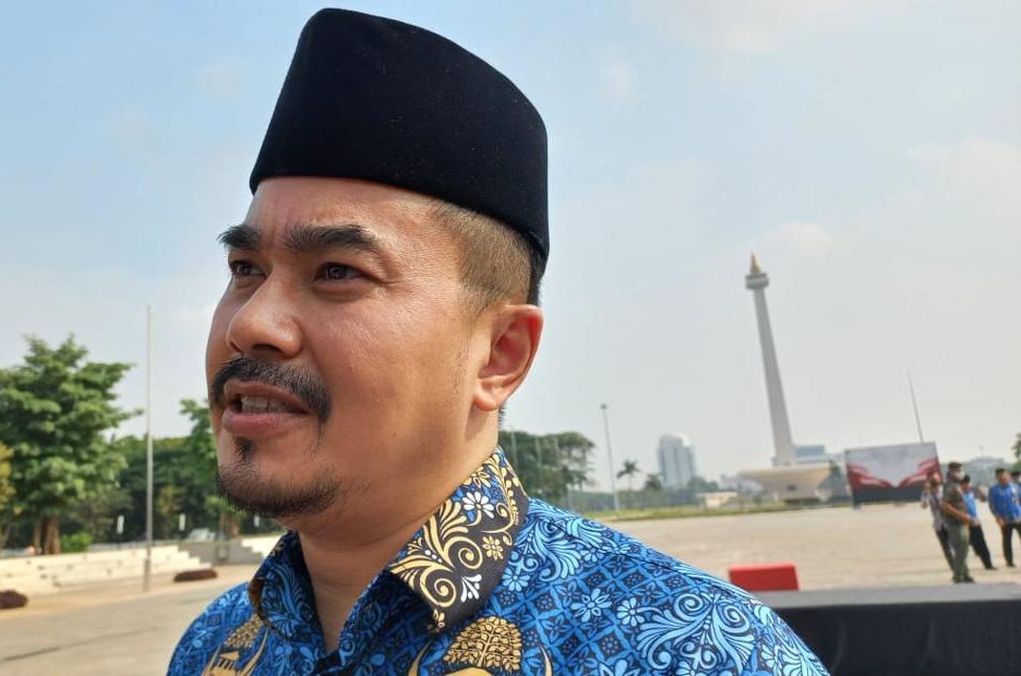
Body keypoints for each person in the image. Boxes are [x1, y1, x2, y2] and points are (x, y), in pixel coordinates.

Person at [167, 8, 825, 675]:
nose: (250, 325)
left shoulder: (702, 652)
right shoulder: (212, 646)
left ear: (500, 354)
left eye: (337, 272)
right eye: (245, 269)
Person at [939, 462, 975, 583]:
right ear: (951, 471)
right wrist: (961, 516)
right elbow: (945, 506)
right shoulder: (951, 486)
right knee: (960, 551)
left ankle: (965, 574)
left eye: (961, 470)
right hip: (955, 523)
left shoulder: (956, 485)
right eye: (958, 470)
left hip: (962, 522)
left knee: (963, 550)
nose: (961, 473)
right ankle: (958, 576)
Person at [920, 470, 956, 572]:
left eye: (935, 478)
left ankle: (960, 565)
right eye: (931, 478)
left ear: (939, 479)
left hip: (950, 523)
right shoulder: (926, 493)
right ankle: (954, 568)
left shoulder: (945, 490)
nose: (933, 480)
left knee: (955, 546)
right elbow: (924, 505)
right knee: (946, 548)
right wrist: (926, 492)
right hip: (938, 525)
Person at [959, 475, 994, 570]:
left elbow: (984, 498)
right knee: (963, 548)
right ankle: (962, 568)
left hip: (975, 522)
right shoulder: (958, 496)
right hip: (963, 524)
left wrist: (980, 489)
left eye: (968, 483)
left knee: (982, 544)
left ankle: (988, 564)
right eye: (964, 484)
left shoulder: (970, 494)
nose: (967, 486)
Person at [988, 467, 1021, 568]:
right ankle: (1009, 561)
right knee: (1007, 541)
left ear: (1008, 475)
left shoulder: (1015, 487)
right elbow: (992, 505)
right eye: (999, 476)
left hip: (1018, 517)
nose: (1002, 478)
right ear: (996, 477)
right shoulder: (993, 489)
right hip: (1005, 520)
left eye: (1004, 475)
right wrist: (998, 517)